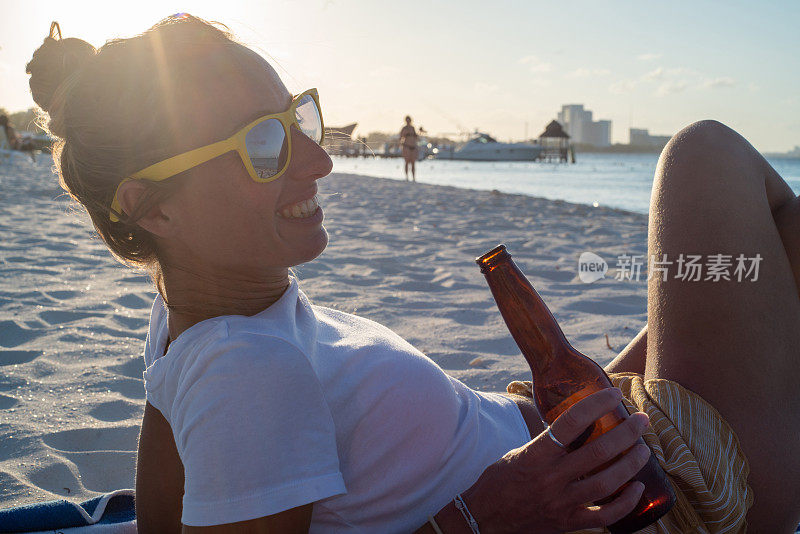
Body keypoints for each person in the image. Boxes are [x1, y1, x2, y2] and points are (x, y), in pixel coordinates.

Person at [25, 14, 800, 534]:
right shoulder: (250, 369)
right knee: (707, 156)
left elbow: (164, 521)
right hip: (678, 500)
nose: (321, 161)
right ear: (153, 209)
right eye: (264, 146)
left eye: (298, 119)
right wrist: (481, 515)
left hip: (604, 439)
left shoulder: (187, 323)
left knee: (726, 242)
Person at [400, 115, 419, 182]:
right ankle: (407, 177)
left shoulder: (413, 128)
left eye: (409, 120)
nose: (408, 121)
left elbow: (416, 137)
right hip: (406, 147)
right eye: (407, 120)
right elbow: (400, 137)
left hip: (413, 147)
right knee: (407, 162)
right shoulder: (404, 128)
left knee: (413, 163)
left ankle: (414, 178)